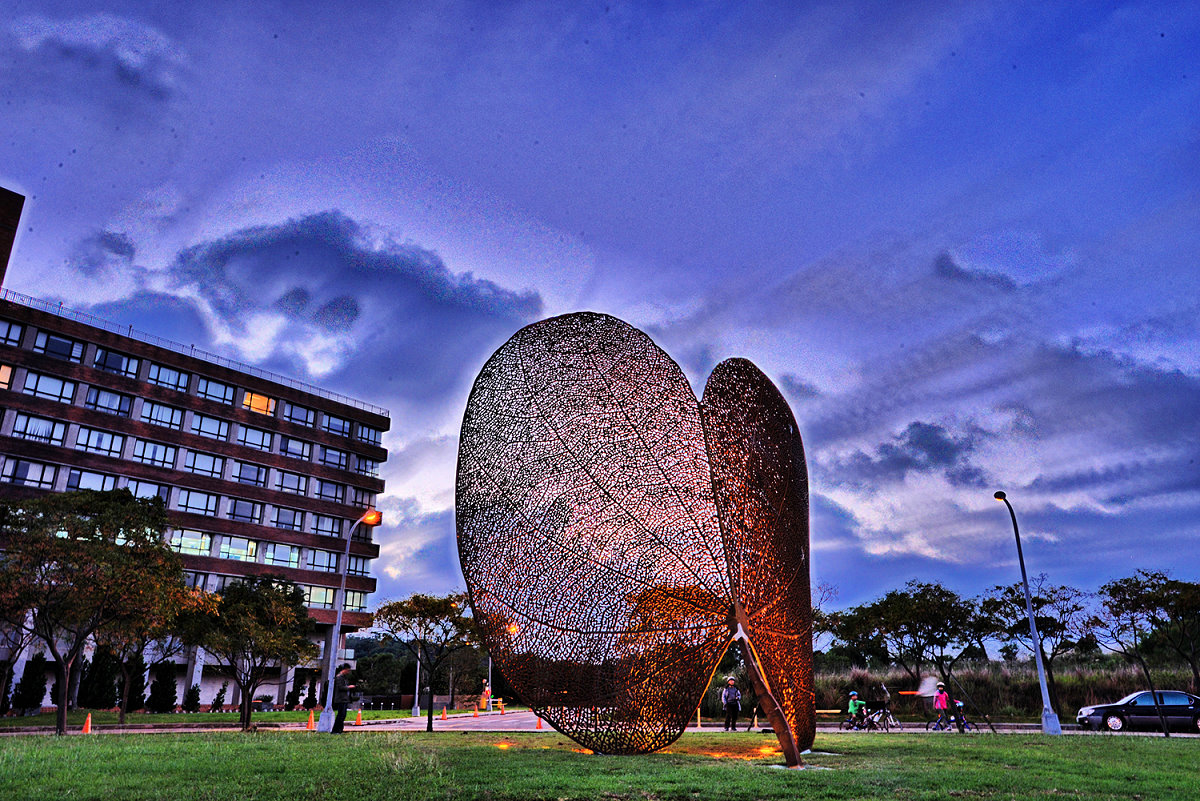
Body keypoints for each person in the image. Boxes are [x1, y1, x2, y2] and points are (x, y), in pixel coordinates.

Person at [331, 664, 356, 734]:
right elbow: (341, 687)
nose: (348, 672)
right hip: (340, 699)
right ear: (344, 669)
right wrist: (349, 687)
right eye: (348, 670)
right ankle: (336, 730)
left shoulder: (344, 678)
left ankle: (339, 730)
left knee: (342, 715)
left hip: (344, 699)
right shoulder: (339, 677)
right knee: (340, 715)